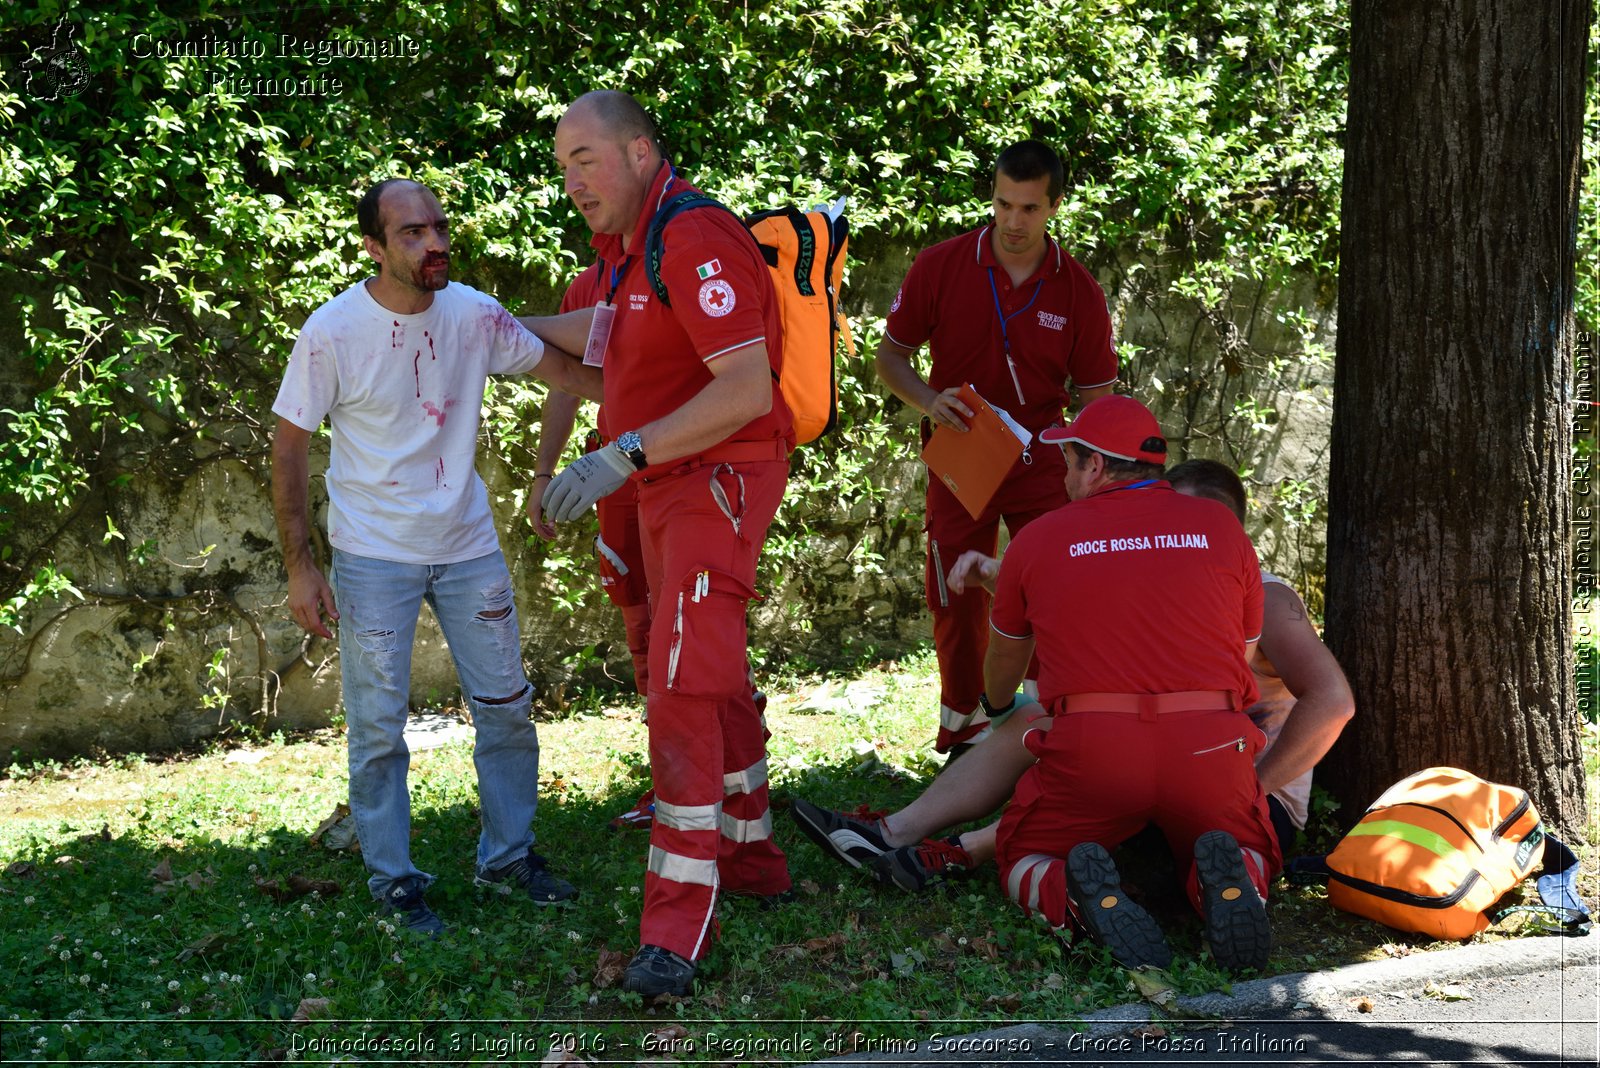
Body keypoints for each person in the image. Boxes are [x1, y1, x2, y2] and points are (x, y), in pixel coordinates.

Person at [796, 399, 1282, 970]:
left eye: (1069, 461)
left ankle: (1075, 896)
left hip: (1098, 749)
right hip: (1209, 744)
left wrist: (998, 706)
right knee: (1247, 845)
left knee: (1023, 853)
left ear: (1096, 467)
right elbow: (1241, 649)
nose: (1063, 475)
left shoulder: (1042, 537)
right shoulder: (1223, 528)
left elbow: (1004, 659)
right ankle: (1231, 884)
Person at [271, 178, 598, 934]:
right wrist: (301, 563)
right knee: (378, 727)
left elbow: (569, 374)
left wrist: (674, 409)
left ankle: (508, 860)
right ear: (374, 248)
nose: (435, 243)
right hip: (371, 555)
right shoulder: (332, 331)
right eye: (412, 233)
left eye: (440, 228)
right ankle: (394, 883)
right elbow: (290, 443)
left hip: (467, 547)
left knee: (507, 709)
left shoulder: (475, 315)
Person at [790, 461, 1354, 896]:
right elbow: (1059, 610)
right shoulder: (1150, 583)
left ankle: (964, 852)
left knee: (1107, 794)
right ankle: (896, 833)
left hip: (1244, 800)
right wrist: (997, 577)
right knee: (1045, 723)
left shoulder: (1268, 595)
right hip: (1157, 778)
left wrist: (1251, 788)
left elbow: (1332, 702)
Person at [525, 91, 792, 998]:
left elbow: (747, 388)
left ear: (640, 152)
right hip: (665, 486)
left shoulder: (693, 236)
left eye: (585, 159)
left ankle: (675, 929)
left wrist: (620, 454)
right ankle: (750, 854)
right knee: (701, 669)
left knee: (681, 680)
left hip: (710, 480)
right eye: (562, 164)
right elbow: (593, 354)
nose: (572, 180)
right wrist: (486, 327)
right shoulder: (629, 252)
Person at [874, 140, 1119, 756]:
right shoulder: (940, 265)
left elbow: (1098, 395)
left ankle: (1042, 727)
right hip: (962, 453)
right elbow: (890, 358)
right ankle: (962, 731)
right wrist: (930, 402)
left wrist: (1090, 472)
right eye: (1003, 204)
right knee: (955, 592)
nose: (1013, 222)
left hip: (1043, 460)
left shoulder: (1079, 291)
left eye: (1030, 209)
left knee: (1054, 592)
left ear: (1054, 207)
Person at [527, 266, 659, 831]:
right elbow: (566, 381)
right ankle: (673, 782)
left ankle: (732, 775)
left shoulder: (681, 257)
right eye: (570, 170)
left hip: (690, 470)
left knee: (697, 625)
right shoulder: (588, 284)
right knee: (642, 629)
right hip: (615, 478)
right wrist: (542, 474)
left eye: (589, 167)